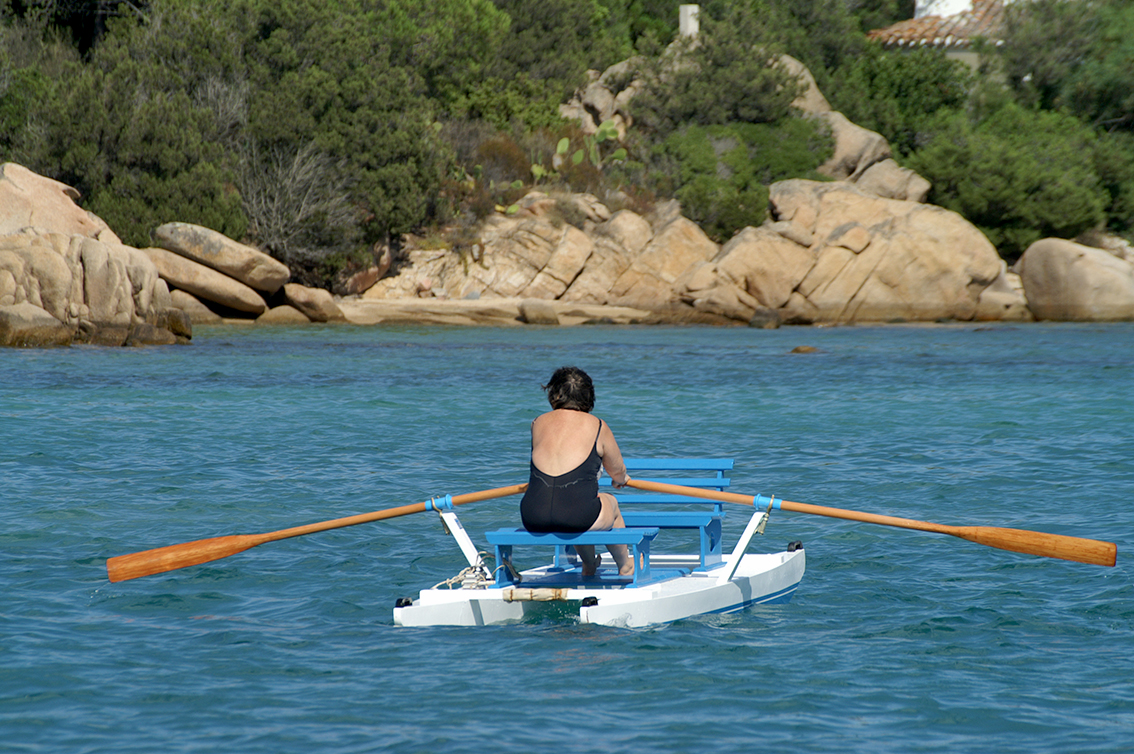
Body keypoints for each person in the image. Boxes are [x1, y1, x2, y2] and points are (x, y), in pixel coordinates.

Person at [519, 366, 634, 577]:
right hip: (577, 516)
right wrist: (621, 479)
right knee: (610, 503)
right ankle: (626, 565)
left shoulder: (537, 423)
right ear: (589, 396)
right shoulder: (598, 426)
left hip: (533, 516)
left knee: (579, 502)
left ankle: (589, 565)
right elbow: (618, 472)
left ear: (554, 394)